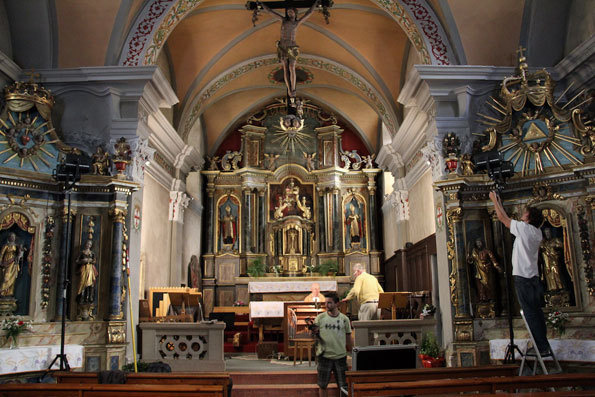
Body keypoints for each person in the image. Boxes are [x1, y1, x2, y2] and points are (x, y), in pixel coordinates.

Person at [490, 191, 550, 354]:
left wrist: (494, 200)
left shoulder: (524, 229)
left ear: (529, 217)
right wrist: (499, 202)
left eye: (525, 213)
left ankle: (541, 347)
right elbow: (507, 218)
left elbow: (503, 219)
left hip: (523, 277)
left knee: (530, 313)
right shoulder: (537, 232)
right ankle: (543, 344)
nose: (522, 214)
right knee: (537, 312)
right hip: (534, 278)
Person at [258, 0, 320, 97]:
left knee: (292, 67)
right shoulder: (283, 20)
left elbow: (309, 13)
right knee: (285, 69)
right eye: (288, 12)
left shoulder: (297, 23)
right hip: (282, 46)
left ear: (295, 13)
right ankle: (289, 89)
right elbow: (270, 12)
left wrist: (315, 3)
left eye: (291, 11)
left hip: (292, 46)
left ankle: (293, 89)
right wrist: (262, 5)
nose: (289, 13)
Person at [312, 292, 352, 397]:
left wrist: (352, 351)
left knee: (343, 385)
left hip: (340, 356)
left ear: (337, 304)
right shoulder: (320, 318)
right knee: (322, 385)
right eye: (325, 303)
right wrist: (314, 332)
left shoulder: (344, 319)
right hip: (324, 356)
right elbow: (314, 336)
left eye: (329, 303)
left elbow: (348, 337)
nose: (326, 305)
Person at [467, 238, 502, 302]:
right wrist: (469, 258)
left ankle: (489, 297)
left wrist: (497, 266)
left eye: (480, 242)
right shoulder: (475, 252)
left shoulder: (486, 251)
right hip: (478, 270)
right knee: (480, 285)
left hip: (485, 269)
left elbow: (493, 259)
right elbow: (471, 260)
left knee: (487, 283)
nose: (479, 244)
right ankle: (482, 298)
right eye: (477, 243)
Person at [0, 232, 25, 297]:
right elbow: (1, 254)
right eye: (11, 237)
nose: (12, 238)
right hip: (6, 262)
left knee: (12, 278)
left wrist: (20, 250)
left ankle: (9, 293)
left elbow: (19, 254)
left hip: (13, 263)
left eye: (13, 237)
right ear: (9, 238)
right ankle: (2, 291)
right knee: (6, 277)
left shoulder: (16, 246)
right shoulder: (6, 246)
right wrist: (1, 262)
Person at [76, 240, 98, 304]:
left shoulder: (92, 253)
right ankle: (81, 297)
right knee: (82, 282)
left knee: (90, 283)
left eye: (89, 244)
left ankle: (88, 298)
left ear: (91, 246)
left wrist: (90, 260)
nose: (88, 245)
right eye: (87, 244)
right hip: (84, 268)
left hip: (90, 269)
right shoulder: (82, 253)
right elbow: (77, 261)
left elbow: (94, 261)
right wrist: (83, 261)